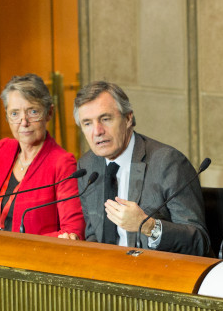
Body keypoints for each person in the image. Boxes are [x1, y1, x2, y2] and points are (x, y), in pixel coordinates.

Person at [72, 81, 210, 256]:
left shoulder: (167, 163)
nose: (97, 131)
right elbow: (94, 234)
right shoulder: (87, 166)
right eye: (87, 123)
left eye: (105, 119)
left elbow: (200, 243)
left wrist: (149, 226)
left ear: (128, 118)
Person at [0, 74, 84, 238]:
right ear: (7, 116)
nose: (23, 122)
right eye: (15, 113)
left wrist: (18, 246)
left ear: (49, 113)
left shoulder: (62, 163)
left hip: (31, 256)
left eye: (33, 111)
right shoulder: (2, 149)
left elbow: (73, 230)